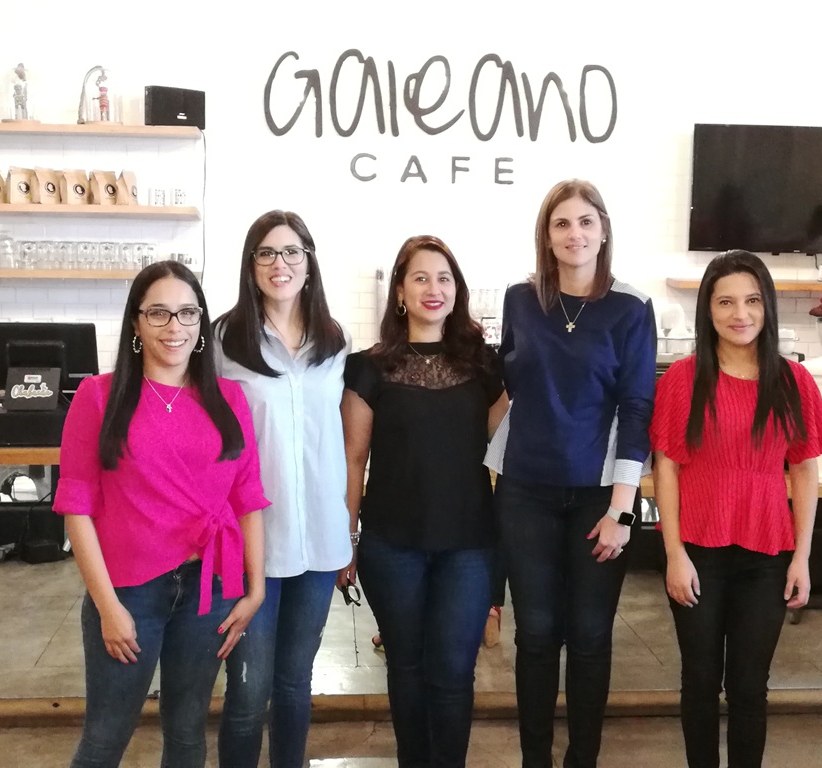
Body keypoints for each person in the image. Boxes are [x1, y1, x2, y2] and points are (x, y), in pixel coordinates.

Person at [54, 260, 268, 768]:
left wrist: (255, 589)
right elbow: (76, 508)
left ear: (200, 322)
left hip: (208, 590)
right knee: (106, 736)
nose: (175, 326)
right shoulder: (98, 397)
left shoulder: (229, 399)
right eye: (159, 313)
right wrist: (107, 606)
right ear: (136, 322)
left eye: (188, 313)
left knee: (188, 730)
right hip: (129, 591)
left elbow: (247, 498)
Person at [484, 179, 657, 768]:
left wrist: (622, 510)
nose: (574, 233)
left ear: (603, 230)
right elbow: (509, 386)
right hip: (524, 490)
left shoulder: (630, 307)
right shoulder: (520, 299)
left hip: (598, 496)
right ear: (546, 235)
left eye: (586, 221)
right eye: (561, 223)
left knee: (588, 636)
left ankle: (582, 758)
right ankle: (535, 759)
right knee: (535, 635)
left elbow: (637, 407)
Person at [650, 249, 822, 768]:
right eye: (725, 302)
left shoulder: (794, 382)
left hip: (767, 554)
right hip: (697, 552)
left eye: (752, 301)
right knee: (700, 681)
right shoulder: (682, 379)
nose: (740, 314)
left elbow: (804, 470)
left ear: (767, 306)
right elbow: (666, 469)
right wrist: (674, 554)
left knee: (750, 687)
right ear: (707, 310)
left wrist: (802, 558)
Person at [342, 235, 508, 768]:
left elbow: (504, 453)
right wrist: (346, 540)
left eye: (444, 278)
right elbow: (353, 461)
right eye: (420, 278)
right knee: (407, 668)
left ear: (457, 290)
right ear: (399, 292)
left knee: (454, 673)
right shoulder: (367, 368)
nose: (433, 289)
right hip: (392, 545)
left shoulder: (486, 366)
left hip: (469, 545)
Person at [213, 209, 350, 768]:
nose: (280, 263)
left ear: (309, 263)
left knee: (295, 684)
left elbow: (345, 440)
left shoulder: (334, 341)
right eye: (266, 252)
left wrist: (351, 527)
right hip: (254, 540)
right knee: (248, 692)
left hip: (319, 538)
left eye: (292, 251)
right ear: (251, 266)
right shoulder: (223, 339)